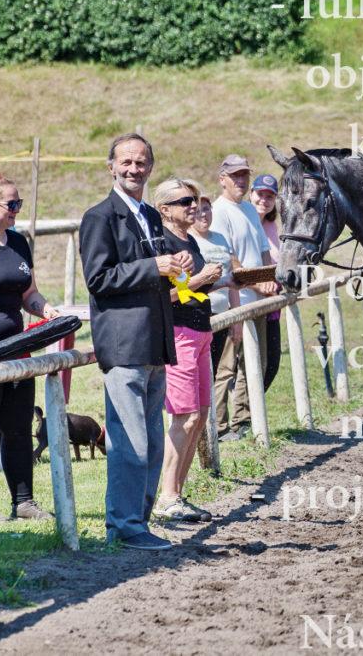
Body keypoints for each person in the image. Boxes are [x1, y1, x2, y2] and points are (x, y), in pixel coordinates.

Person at [80, 133, 193, 551]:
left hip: (155, 343)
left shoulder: (149, 214)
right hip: (124, 343)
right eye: (126, 162)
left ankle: (139, 522)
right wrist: (153, 267)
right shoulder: (99, 217)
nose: (134, 169)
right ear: (111, 166)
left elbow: (158, 274)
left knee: (152, 441)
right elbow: (98, 279)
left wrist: (177, 267)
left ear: (150, 167)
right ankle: (124, 526)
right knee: (129, 443)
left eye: (141, 162)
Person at [0, 168, 57, 523]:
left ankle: (24, 502)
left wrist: (47, 309)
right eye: (11, 204)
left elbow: (29, 293)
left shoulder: (18, 242)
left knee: (17, 429)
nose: (16, 210)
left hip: (18, 351)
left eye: (19, 203)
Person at [152, 179, 225, 523]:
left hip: (201, 329)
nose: (193, 206)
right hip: (179, 332)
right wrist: (200, 279)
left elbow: (188, 288)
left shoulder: (190, 240)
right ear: (165, 209)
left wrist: (217, 278)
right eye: (185, 201)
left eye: (193, 199)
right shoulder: (162, 245)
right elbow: (162, 297)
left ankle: (177, 494)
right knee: (186, 416)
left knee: (200, 416)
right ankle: (166, 497)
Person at [210, 154, 276, 441]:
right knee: (226, 367)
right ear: (222, 179)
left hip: (257, 300)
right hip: (232, 300)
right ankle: (219, 426)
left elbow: (263, 250)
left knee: (255, 363)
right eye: (235, 175)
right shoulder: (218, 211)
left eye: (244, 175)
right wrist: (258, 284)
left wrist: (269, 278)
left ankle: (244, 420)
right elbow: (228, 257)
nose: (241, 180)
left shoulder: (249, 209)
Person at [190, 195, 240, 377]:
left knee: (215, 369)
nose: (203, 214)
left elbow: (231, 280)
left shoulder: (220, 238)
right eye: (197, 211)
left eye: (206, 209)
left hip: (222, 312)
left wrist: (237, 318)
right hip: (201, 313)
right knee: (200, 372)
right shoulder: (189, 240)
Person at [251, 174, 281, 391]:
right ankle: (245, 407)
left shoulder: (272, 226)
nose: (264, 200)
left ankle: (255, 407)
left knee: (271, 363)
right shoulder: (244, 220)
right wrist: (260, 283)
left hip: (272, 304)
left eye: (270, 196)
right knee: (251, 363)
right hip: (248, 298)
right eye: (260, 194)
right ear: (251, 193)